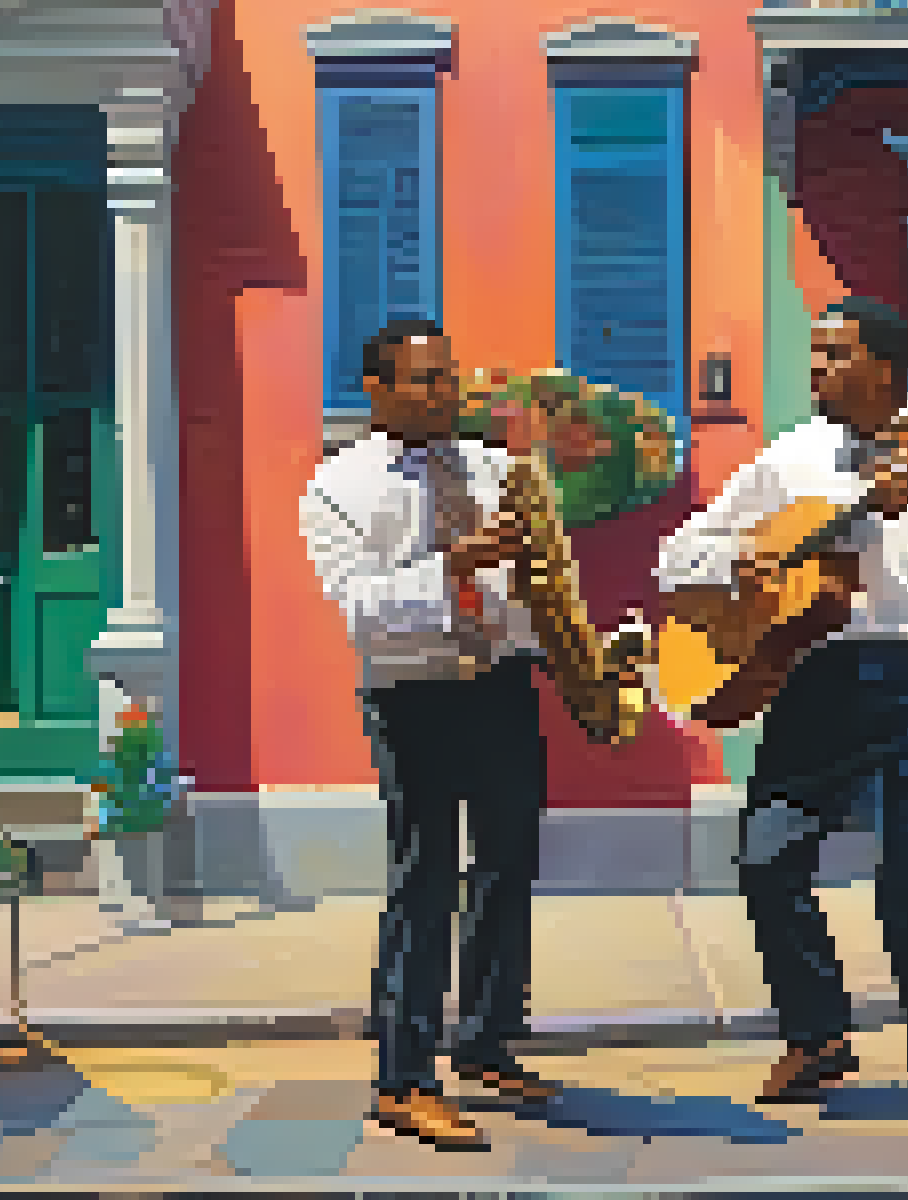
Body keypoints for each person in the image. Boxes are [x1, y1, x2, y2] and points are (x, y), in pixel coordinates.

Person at [656, 298, 908, 1175]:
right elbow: (680, 553)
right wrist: (740, 564)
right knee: (765, 856)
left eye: (834, 356)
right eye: (816, 354)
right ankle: (819, 1032)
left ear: (888, 370)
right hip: (815, 676)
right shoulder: (796, 455)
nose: (816, 369)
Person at [299, 319, 564, 1150]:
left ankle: (486, 1041)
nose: (444, 393)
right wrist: (455, 563)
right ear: (375, 389)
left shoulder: (491, 468)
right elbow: (360, 610)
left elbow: (537, 573)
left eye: (448, 378)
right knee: (425, 878)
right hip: (413, 695)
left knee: (509, 864)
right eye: (423, 382)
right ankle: (403, 1077)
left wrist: (555, 619)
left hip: (501, 683)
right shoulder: (336, 488)